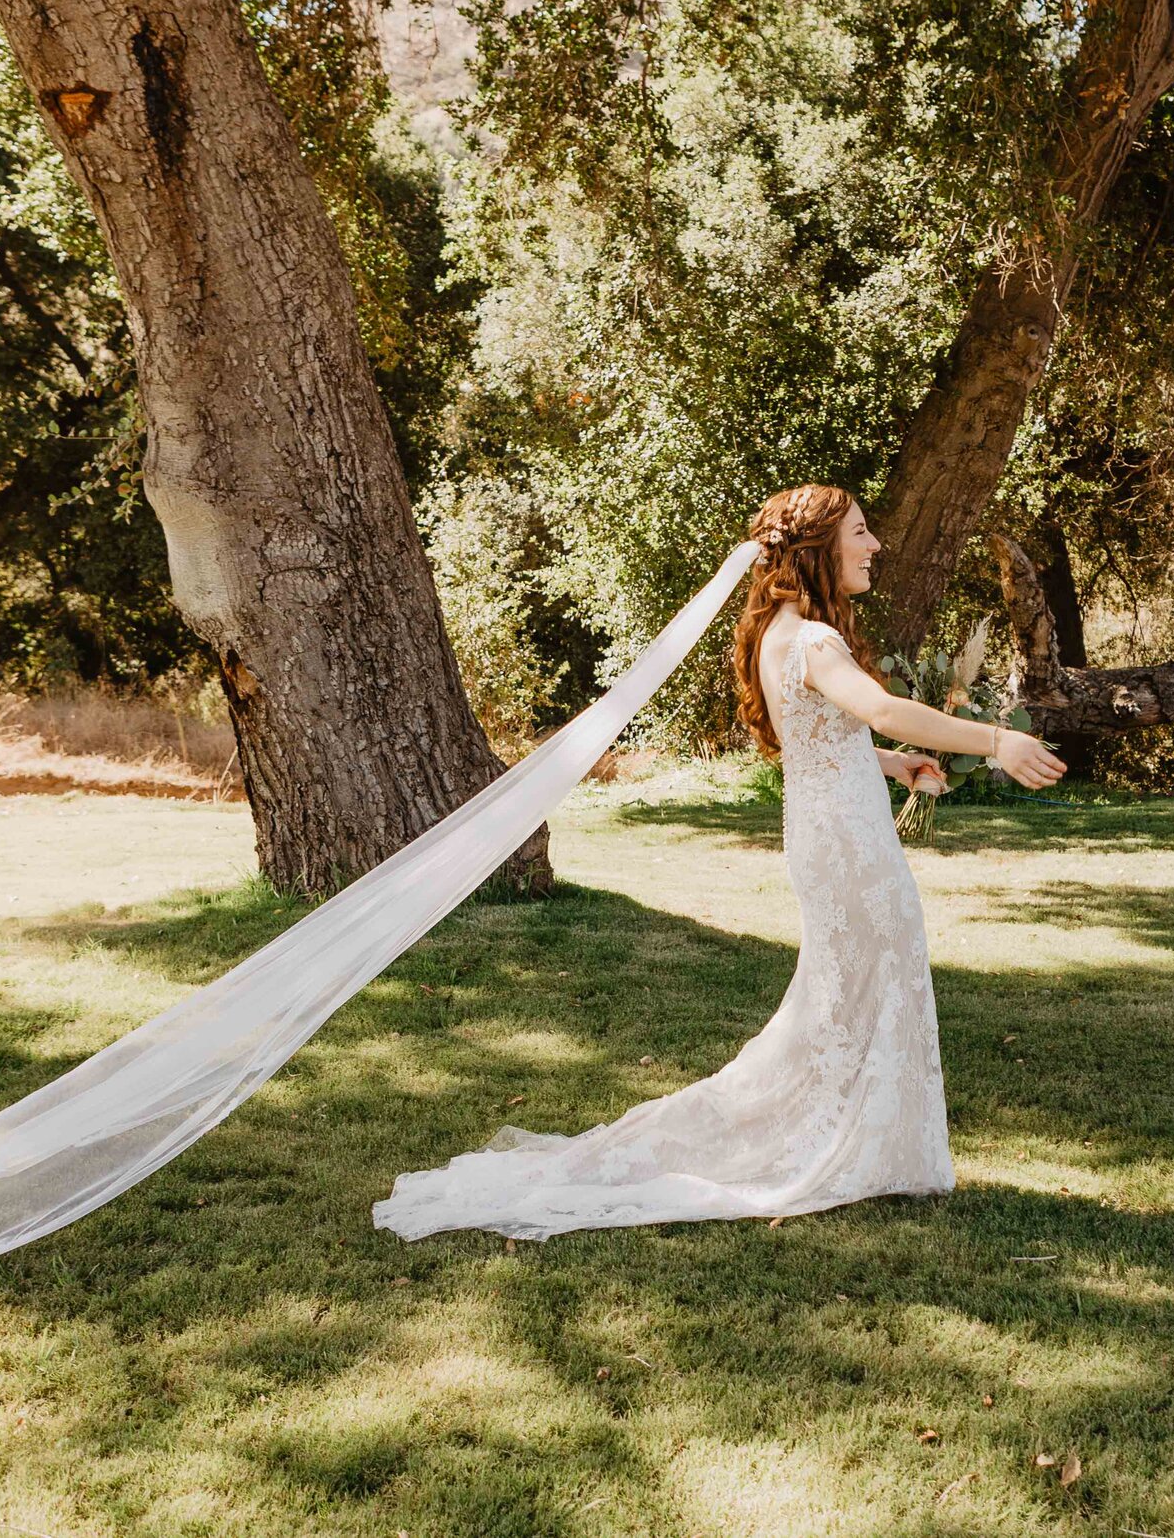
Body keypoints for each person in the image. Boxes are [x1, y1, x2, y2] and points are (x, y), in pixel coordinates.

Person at [371, 484, 1065, 1242]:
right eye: (861, 533)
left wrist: (891, 763)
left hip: (829, 831)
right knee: (868, 979)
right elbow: (883, 706)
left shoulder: (782, 634)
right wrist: (998, 741)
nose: (875, 547)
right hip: (846, 845)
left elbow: (826, 739)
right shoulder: (814, 642)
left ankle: (875, 1146)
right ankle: (844, 1147)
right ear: (818, 548)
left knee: (852, 989)